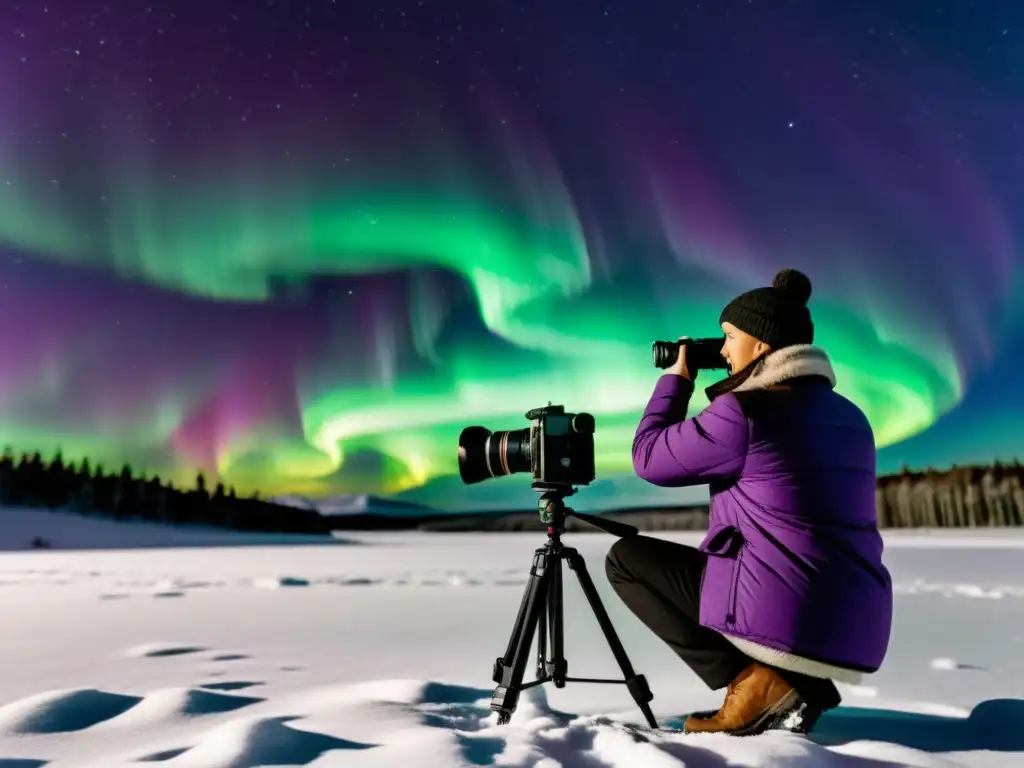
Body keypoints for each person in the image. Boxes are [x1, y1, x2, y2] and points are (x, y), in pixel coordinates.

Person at [606, 268, 893, 736]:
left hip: (788, 610)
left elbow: (649, 458)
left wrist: (676, 382)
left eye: (729, 337)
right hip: (856, 618)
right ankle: (797, 681)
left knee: (627, 559)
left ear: (760, 344)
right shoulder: (852, 416)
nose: (721, 350)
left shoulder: (745, 412)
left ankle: (755, 682)